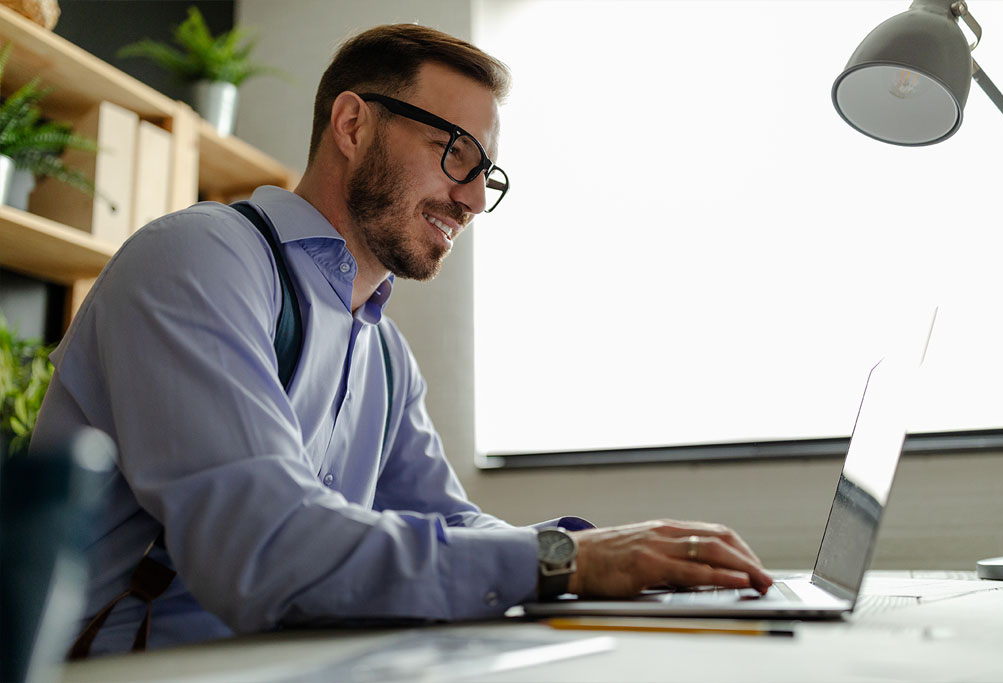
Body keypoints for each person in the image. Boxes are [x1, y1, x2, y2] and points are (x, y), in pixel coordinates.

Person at [31, 24, 773, 656]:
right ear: (352, 126)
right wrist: (567, 560)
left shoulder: (382, 350)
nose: (475, 198)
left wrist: (617, 552)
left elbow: (446, 524)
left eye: (488, 173)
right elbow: (265, 550)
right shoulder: (199, 261)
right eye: (455, 151)